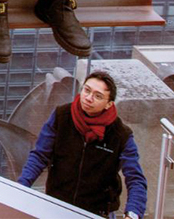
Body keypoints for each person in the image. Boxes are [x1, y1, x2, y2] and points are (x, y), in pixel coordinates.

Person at [18, 70, 147, 219]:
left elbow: (135, 178)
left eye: (98, 96)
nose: (88, 98)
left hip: (97, 212)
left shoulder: (120, 134)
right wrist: (21, 187)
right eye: (87, 90)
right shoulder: (62, 116)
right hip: (57, 206)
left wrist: (133, 213)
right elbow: (40, 156)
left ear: (109, 104)